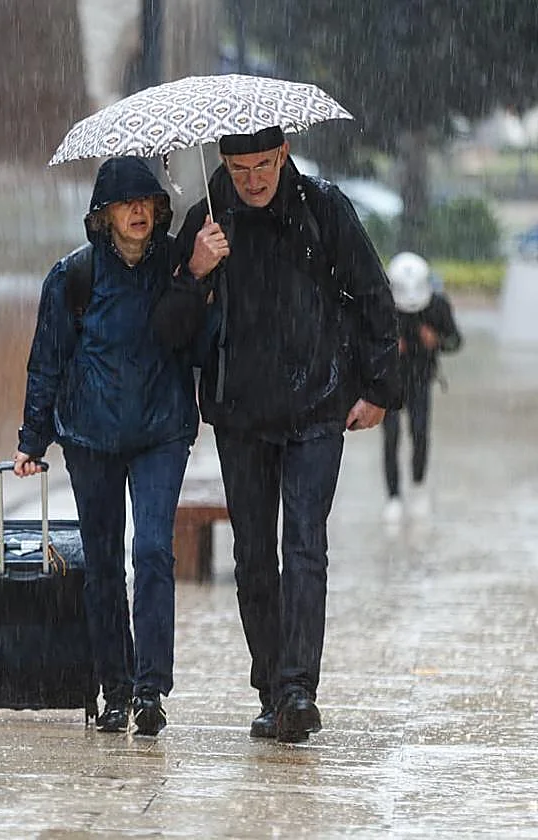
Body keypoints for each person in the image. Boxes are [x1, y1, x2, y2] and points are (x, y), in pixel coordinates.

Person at [163, 125, 402, 743]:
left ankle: (298, 689)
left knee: (304, 546)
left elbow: (376, 297)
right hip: (241, 413)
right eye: (241, 170)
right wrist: (195, 268)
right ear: (224, 164)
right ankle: (270, 685)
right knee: (253, 557)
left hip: (319, 404)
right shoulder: (207, 219)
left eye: (264, 165)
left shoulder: (325, 208)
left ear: (284, 155)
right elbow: (170, 333)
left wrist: (378, 388)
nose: (254, 180)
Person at [12, 156, 210, 736]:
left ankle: (151, 689)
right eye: (126, 203)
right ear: (103, 215)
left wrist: (199, 273)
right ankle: (114, 688)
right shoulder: (72, 277)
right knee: (102, 563)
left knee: (152, 551)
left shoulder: (179, 263)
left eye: (147, 202)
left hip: (162, 433)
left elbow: (198, 335)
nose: (139, 212)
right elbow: (46, 361)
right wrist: (32, 438)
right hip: (90, 436)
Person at [381, 251, 462, 523]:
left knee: (420, 432)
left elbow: (456, 341)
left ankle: (417, 487)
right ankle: (393, 496)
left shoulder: (437, 305)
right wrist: (390, 346)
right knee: (390, 437)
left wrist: (436, 340)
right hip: (390, 380)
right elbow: (363, 342)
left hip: (421, 379)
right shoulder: (382, 304)